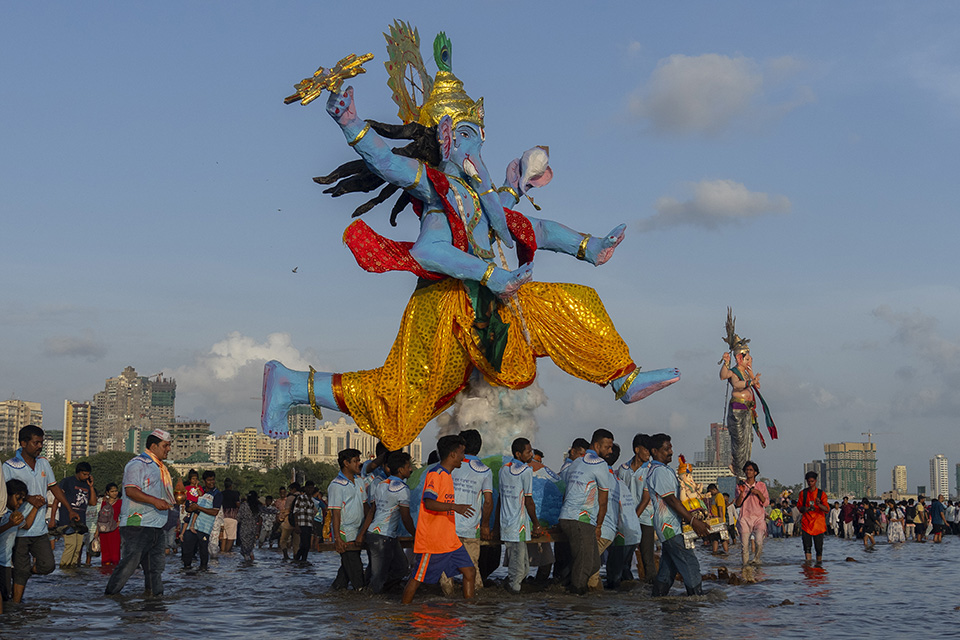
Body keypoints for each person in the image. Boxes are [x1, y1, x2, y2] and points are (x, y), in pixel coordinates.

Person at [261, 30, 684, 456]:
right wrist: (351, 124)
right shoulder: (438, 189)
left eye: (478, 135)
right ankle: (293, 385)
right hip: (446, 307)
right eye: (466, 135)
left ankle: (623, 379)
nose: (475, 145)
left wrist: (589, 247)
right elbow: (419, 229)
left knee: (576, 301)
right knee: (402, 399)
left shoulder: (480, 198)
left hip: (492, 302)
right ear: (444, 137)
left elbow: (533, 229)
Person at [3, 425, 78, 603]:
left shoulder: (44, 462)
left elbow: (54, 487)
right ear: (23, 443)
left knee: (48, 565)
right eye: (36, 443)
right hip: (19, 527)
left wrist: (69, 509)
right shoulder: (10, 466)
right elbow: (6, 493)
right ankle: (16, 606)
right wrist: (29, 498)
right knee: (20, 572)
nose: (39, 446)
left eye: (41, 443)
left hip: (40, 528)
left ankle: (22, 574)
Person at [402, 434, 477, 604]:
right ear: (452, 455)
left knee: (470, 572)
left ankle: (470, 611)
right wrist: (455, 507)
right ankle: (403, 613)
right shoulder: (435, 474)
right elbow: (429, 502)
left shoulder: (447, 475)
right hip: (433, 540)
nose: (463, 457)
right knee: (417, 578)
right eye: (462, 453)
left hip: (449, 539)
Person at [104, 429, 176, 596]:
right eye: (166, 445)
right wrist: (156, 501)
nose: (169, 449)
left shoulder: (160, 467)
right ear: (153, 446)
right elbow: (131, 491)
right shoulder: (138, 464)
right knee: (129, 565)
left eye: (169, 446)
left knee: (155, 569)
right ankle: (110, 596)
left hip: (156, 524)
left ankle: (155, 602)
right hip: (137, 524)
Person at [646, 433, 710, 596]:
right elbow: (672, 501)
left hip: (669, 528)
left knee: (667, 569)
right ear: (654, 451)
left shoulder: (662, 470)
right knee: (690, 564)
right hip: (669, 528)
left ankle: (656, 601)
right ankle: (696, 602)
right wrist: (693, 521)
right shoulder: (659, 472)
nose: (671, 452)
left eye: (671, 448)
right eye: (666, 449)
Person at [720, 313, 777, 478]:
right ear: (740, 358)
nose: (750, 359)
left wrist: (753, 379)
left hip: (747, 411)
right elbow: (728, 379)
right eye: (747, 357)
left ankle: (743, 469)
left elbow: (753, 384)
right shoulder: (735, 372)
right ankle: (738, 469)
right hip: (737, 410)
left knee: (748, 441)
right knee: (739, 442)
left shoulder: (746, 373)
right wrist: (726, 362)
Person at [558, 429, 613, 595]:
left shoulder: (577, 462)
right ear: (597, 445)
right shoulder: (600, 465)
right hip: (581, 520)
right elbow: (603, 501)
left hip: (568, 517)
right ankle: (576, 603)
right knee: (584, 565)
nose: (610, 451)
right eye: (607, 447)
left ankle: (562, 588)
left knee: (593, 563)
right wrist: (599, 526)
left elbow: (567, 491)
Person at [440, 428, 491, 595]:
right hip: (471, 527)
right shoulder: (485, 470)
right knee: (472, 566)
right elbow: (488, 502)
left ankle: (447, 602)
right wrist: (485, 525)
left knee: (446, 568)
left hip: (447, 525)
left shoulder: (449, 464)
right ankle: (473, 607)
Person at [362, 450, 415, 593]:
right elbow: (405, 517)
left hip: (382, 535)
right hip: (382, 536)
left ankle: (377, 595)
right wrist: (416, 534)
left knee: (401, 568)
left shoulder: (381, 484)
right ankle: (371, 604)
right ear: (400, 470)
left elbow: (372, 511)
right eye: (408, 466)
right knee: (379, 576)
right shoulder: (403, 489)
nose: (410, 469)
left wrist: (362, 534)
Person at [498, 437, 541, 594]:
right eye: (528, 451)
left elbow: (500, 499)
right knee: (518, 570)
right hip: (517, 525)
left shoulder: (503, 470)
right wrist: (536, 523)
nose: (531, 454)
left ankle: (507, 591)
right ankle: (512, 606)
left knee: (523, 567)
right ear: (518, 454)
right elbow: (529, 500)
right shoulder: (526, 471)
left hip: (508, 523)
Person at [619, 433, 655, 582]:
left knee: (647, 557)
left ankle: (652, 590)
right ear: (637, 449)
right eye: (646, 450)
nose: (649, 453)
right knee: (625, 557)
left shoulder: (650, 469)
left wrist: (633, 518)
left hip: (645, 518)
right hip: (626, 519)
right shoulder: (623, 469)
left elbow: (646, 498)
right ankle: (627, 590)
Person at [329, 450, 367, 591]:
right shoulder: (336, 485)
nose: (359, 464)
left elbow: (365, 506)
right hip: (346, 533)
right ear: (346, 463)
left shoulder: (359, 482)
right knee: (355, 569)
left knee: (347, 569)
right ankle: (360, 597)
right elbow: (336, 513)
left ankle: (336, 593)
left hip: (358, 531)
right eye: (356, 461)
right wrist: (337, 537)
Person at [48, 461, 96, 568]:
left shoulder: (87, 485)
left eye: (88, 474)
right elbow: (57, 500)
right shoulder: (68, 481)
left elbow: (93, 503)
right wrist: (52, 519)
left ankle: (72, 571)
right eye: (84, 474)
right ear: (78, 472)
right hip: (67, 519)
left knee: (78, 547)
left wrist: (91, 487)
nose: (86, 476)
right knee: (71, 545)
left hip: (81, 521)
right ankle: (64, 569)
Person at [0, 479, 35, 612]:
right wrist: (10, 524)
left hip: (7, 563)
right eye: (17, 499)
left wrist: (36, 508)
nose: (20, 503)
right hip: (2, 563)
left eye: (22, 500)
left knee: (5, 597)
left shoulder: (14, 515)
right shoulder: (3, 515)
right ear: (6, 496)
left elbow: (26, 526)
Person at [182, 470, 221, 571]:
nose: (211, 482)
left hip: (204, 528)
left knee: (203, 553)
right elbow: (188, 507)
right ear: (204, 481)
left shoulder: (217, 494)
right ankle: (187, 575)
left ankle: (203, 575)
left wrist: (198, 508)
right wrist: (191, 508)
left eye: (213, 480)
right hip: (191, 526)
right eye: (209, 480)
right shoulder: (198, 491)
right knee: (187, 552)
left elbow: (214, 512)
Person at [734, 461, 769, 567]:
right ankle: (745, 565)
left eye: (751, 470)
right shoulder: (740, 486)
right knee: (744, 546)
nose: (748, 472)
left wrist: (758, 493)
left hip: (758, 517)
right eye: (747, 470)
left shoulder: (761, 485)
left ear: (755, 473)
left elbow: (766, 502)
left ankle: (756, 560)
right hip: (745, 517)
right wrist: (741, 492)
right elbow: (738, 503)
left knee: (758, 541)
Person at [797, 471, 829, 565]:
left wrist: (819, 505)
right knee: (807, 547)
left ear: (815, 481)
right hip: (806, 524)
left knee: (819, 548)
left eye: (812, 481)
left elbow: (826, 509)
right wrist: (805, 509)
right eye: (808, 481)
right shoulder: (803, 493)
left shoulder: (821, 494)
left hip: (818, 525)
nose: (810, 483)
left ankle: (819, 566)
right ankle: (808, 566)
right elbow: (800, 507)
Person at [97, 483, 122, 566]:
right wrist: (97, 532)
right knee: (105, 553)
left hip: (115, 530)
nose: (115, 493)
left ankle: (115, 571)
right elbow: (99, 517)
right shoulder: (103, 502)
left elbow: (124, 514)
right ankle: (104, 573)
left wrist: (119, 523)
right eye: (112, 491)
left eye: (116, 491)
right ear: (107, 492)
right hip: (103, 530)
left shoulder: (120, 502)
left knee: (115, 552)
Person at [291, 484, 317, 563]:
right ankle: (297, 559)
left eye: (311, 488)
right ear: (305, 488)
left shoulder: (312, 501)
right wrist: (296, 525)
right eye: (308, 488)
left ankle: (303, 560)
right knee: (305, 544)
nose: (310, 490)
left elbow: (311, 514)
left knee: (307, 545)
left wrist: (314, 526)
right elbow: (295, 511)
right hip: (301, 524)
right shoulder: (300, 498)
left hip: (309, 524)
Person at [237, 491, 260, 561]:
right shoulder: (257, 507)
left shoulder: (244, 505)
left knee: (244, 547)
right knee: (250, 546)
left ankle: (247, 562)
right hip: (253, 528)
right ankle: (251, 560)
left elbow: (239, 517)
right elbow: (259, 518)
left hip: (244, 528)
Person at [707, 483, 729, 554]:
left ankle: (726, 552)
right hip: (715, 522)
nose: (710, 493)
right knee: (714, 538)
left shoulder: (719, 496)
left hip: (719, 521)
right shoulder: (715, 496)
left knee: (723, 539)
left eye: (710, 492)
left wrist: (721, 521)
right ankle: (715, 553)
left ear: (714, 489)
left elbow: (720, 509)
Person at [220, 478, 240, 552]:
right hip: (232, 517)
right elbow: (237, 504)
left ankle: (222, 552)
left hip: (222, 517)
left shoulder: (221, 494)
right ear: (231, 485)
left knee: (224, 537)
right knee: (231, 537)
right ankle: (227, 552)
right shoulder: (235, 494)